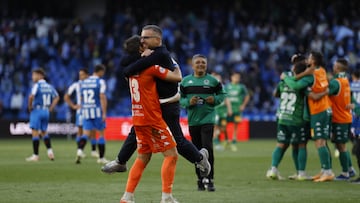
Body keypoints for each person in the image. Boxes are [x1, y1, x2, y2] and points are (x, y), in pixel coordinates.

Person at [101, 24, 211, 177]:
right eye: (141, 37)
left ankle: (200, 158)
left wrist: (141, 58)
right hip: (152, 104)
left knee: (177, 140)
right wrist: (141, 56)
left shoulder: (161, 54)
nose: (142, 40)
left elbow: (128, 69)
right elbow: (125, 61)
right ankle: (120, 162)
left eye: (145, 37)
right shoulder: (151, 54)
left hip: (168, 103)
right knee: (135, 131)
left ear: (157, 39)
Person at [119, 35, 181, 203]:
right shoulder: (152, 68)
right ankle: (167, 197)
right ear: (141, 49)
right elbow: (177, 77)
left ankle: (127, 196)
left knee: (143, 157)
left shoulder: (130, 72)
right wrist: (175, 66)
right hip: (152, 118)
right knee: (172, 155)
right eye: (144, 44)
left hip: (138, 119)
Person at [283, 51, 334, 182]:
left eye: (310, 57)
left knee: (320, 142)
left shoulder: (312, 72)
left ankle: (328, 172)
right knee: (321, 141)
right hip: (324, 108)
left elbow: (295, 83)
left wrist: (286, 78)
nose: (308, 59)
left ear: (314, 61)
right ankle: (324, 170)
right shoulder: (321, 70)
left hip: (319, 110)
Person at [180, 54, 226, 192]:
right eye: (198, 62)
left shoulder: (213, 81)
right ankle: (200, 179)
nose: (200, 64)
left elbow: (222, 95)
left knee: (207, 148)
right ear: (192, 65)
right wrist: (189, 102)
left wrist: (215, 100)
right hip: (193, 121)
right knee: (196, 152)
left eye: (203, 63)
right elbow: (180, 99)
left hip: (208, 120)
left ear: (206, 65)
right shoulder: (185, 82)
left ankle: (210, 180)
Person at [266, 55, 311, 181]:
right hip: (296, 119)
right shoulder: (304, 80)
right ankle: (301, 173)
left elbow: (275, 93)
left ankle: (273, 169)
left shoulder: (284, 78)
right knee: (301, 145)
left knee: (281, 144)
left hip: (282, 116)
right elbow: (308, 93)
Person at [326, 59, 354, 180]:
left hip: (339, 118)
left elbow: (325, 92)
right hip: (346, 117)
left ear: (337, 68)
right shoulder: (346, 80)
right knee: (341, 144)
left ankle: (345, 173)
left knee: (341, 146)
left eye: (334, 65)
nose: (333, 66)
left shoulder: (335, 82)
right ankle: (350, 169)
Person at [76, 64, 109, 164]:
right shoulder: (100, 81)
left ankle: (80, 150)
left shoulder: (84, 82)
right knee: (101, 134)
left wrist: (83, 108)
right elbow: (102, 96)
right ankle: (101, 158)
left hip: (86, 111)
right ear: (101, 72)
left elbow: (81, 97)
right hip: (97, 111)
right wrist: (104, 112)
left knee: (86, 134)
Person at [64, 68, 100, 159]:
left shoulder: (92, 83)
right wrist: (73, 106)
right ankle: (80, 150)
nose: (80, 77)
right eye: (79, 75)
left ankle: (93, 150)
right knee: (80, 131)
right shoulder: (76, 84)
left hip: (90, 110)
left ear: (87, 75)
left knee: (93, 130)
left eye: (82, 75)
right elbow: (66, 96)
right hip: (81, 111)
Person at [26, 68, 59, 162]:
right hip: (46, 111)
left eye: (34, 75)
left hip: (37, 110)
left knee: (35, 132)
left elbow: (31, 96)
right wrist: (51, 107)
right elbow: (57, 97)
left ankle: (35, 155)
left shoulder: (37, 85)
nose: (33, 77)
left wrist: (29, 106)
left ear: (40, 75)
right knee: (44, 132)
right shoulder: (49, 86)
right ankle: (50, 152)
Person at [224, 71, 250, 151]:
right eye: (235, 77)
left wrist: (243, 105)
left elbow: (247, 96)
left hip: (237, 110)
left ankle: (234, 141)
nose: (237, 79)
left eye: (238, 77)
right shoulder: (227, 87)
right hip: (227, 109)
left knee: (236, 125)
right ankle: (227, 140)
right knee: (224, 125)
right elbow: (224, 96)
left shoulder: (241, 87)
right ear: (231, 77)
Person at [211, 71, 232, 151]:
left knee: (223, 128)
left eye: (219, 78)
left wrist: (229, 109)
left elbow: (227, 99)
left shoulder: (223, 88)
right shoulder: (210, 87)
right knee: (215, 127)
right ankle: (217, 143)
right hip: (215, 110)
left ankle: (221, 141)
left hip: (223, 111)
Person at [350, 69, 360, 183]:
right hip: (357, 124)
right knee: (357, 151)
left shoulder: (354, 86)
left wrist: (355, 108)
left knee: (358, 151)